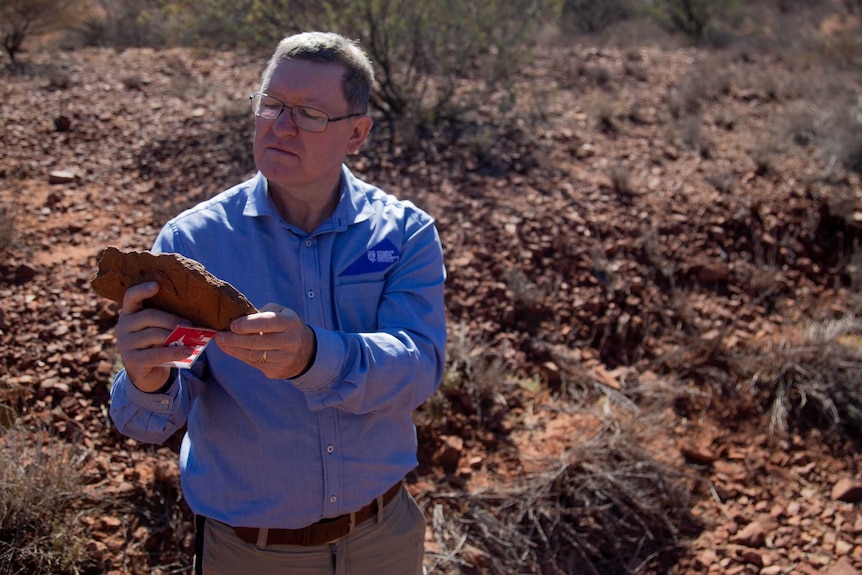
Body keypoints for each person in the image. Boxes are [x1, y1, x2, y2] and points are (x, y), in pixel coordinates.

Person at [108, 31, 446, 575]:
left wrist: (315, 357)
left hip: (383, 538)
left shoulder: (402, 234)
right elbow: (147, 422)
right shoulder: (193, 244)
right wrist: (148, 378)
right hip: (250, 553)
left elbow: (419, 369)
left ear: (357, 132)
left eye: (311, 113)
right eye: (271, 105)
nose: (281, 127)